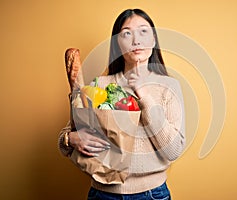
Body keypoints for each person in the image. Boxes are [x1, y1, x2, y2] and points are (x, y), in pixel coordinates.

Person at [58, 8, 186, 200]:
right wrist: (70, 139)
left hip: (152, 194)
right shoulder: (99, 85)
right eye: (127, 33)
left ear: (153, 40)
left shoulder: (168, 86)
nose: (136, 40)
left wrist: (143, 95)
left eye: (143, 31)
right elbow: (68, 135)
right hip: (102, 194)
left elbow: (173, 150)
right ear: (118, 43)